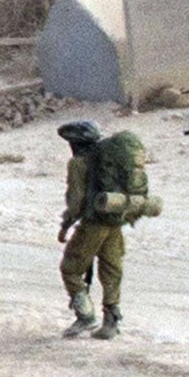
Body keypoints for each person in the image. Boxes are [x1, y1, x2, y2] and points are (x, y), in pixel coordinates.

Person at [57, 120, 126, 340]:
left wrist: (67, 221)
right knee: (111, 271)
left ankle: (85, 316)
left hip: (93, 224)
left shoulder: (78, 163)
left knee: (70, 268)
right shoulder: (111, 160)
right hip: (114, 222)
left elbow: (76, 201)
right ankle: (111, 320)